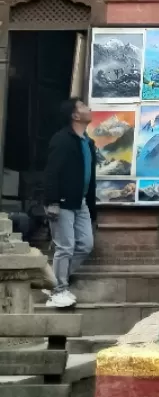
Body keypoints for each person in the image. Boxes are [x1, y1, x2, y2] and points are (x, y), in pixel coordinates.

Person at [42, 96, 96, 310]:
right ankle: (58, 289)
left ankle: (52, 279)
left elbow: (90, 177)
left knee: (85, 245)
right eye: (82, 106)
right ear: (75, 115)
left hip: (80, 202)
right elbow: (51, 173)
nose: (87, 108)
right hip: (62, 202)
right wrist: (52, 201)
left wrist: (92, 208)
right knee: (65, 247)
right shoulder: (62, 139)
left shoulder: (87, 142)